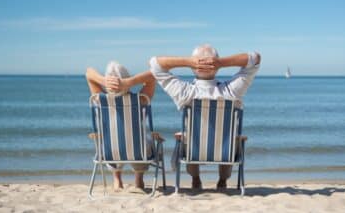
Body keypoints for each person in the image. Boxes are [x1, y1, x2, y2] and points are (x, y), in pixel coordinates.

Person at [116, 44, 261, 189]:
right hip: (225, 152)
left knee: (188, 138)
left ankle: (195, 179)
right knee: (229, 139)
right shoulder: (232, 91)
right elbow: (255, 59)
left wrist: (188, 61)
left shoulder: (185, 92)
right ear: (216, 67)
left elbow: (154, 63)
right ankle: (222, 181)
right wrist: (221, 62)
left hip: (193, 151)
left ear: (193, 67)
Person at [85, 61, 157, 191]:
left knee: (109, 140)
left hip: (110, 153)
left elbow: (89, 72)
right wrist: (129, 82)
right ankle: (139, 178)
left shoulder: (100, 100)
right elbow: (153, 74)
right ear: (127, 78)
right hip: (139, 153)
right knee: (144, 140)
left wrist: (103, 80)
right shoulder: (140, 100)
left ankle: (117, 179)